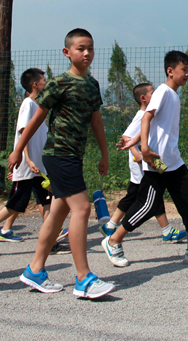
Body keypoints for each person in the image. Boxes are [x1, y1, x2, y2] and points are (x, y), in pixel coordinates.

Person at [8, 28, 114, 299]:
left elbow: (97, 121)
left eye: (90, 48)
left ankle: (35, 270)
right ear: (67, 53)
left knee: (57, 214)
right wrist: (18, 150)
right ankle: (83, 279)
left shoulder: (92, 85)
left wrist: (104, 153)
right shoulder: (58, 83)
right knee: (82, 208)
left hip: (74, 156)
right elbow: (37, 119)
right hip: (58, 154)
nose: (87, 53)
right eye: (80, 48)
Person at [103, 52, 188, 267]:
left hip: (173, 162)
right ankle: (113, 240)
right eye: (184, 70)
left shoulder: (174, 95)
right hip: (157, 162)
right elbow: (147, 116)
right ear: (170, 71)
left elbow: (153, 121)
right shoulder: (162, 91)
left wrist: (135, 140)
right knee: (148, 205)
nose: (187, 74)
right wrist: (144, 149)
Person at [0, 69, 52, 256]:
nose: (46, 83)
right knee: (16, 204)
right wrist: (28, 160)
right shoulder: (28, 104)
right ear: (35, 84)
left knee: (46, 201)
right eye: (44, 80)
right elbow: (23, 132)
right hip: (27, 166)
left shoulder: (39, 106)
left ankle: (51, 240)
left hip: (38, 166)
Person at [101, 83, 185, 243]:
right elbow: (127, 137)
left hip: (151, 161)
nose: (156, 95)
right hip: (142, 164)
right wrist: (137, 154)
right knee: (152, 194)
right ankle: (166, 230)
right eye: (152, 93)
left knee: (136, 195)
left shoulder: (150, 113)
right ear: (143, 98)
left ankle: (111, 226)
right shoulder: (142, 115)